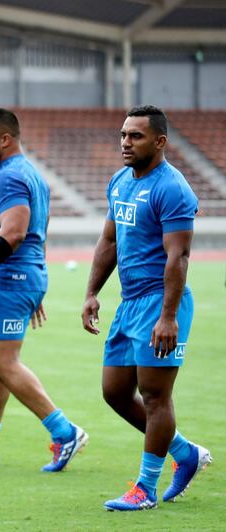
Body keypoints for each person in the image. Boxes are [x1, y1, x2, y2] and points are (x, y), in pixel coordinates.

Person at [0, 108, 88, 472]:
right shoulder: (31, 175)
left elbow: (14, 232)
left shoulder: (9, 179)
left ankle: (64, 431)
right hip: (22, 277)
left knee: (0, 361)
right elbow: (42, 225)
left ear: (5, 139)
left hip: (8, 279)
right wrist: (37, 277)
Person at [82, 105, 211, 511]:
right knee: (115, 392)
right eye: (123, 134)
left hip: (161, 302)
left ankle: (145, 488)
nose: (125, 142)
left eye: (135, 136)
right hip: (129, 302)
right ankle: (184, 452)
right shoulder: (120, 181)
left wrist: (168, 316)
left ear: (159, 142)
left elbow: (179, 258)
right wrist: (92, 292)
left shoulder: (172, 188)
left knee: (155, 396)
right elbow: (109, 242)